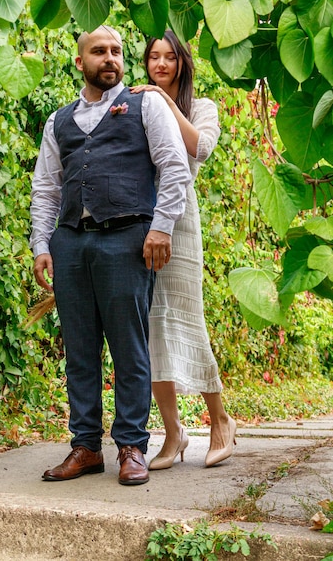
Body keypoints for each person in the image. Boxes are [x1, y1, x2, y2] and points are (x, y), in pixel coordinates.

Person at [30, 26, 191, 486]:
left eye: (117, 51)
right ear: (80, 62)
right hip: (71, 243)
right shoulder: (58, 120)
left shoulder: (147, 105)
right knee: (79, 350)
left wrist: (161, 228)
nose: (110, 58)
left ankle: (131, 447)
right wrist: (43, 245)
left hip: (128, 239)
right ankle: (84, 447)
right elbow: (46, 188)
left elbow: (175, 166)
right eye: (99, 51)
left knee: (129, 348)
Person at [131, 29, 236, 469]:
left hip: (181, 220)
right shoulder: (135, 105)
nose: (160, 64)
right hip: (141, 219)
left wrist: (166, 103)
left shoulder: (202, 107)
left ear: (182, 63)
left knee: (189, 320)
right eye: (153, 57)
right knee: (151, 329)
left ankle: (220, 421)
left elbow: (202, 147)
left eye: (168, 57)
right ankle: (173, 434)